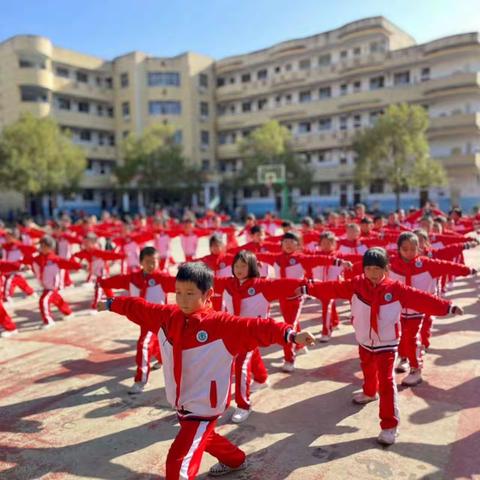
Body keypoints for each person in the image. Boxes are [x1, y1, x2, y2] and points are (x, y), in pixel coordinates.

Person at [98, 262, 315, 479]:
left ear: (208, 293)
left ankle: (231, 461)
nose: (183, 299)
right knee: (205, 437)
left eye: (190, 293)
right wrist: (111, 303)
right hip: (181, 401)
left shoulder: (221, 325)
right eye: (178, 293)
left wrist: (291, 335)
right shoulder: (168, 317)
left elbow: (258, 327)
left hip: (203, 406)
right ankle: (236, 460)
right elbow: (139, 307)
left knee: (177, 466)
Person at [306, 248, 464, 445]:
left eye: (377, 269)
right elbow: (332, 288)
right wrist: (308, 289)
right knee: (367, 370)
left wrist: (447, 307)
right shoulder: (356, 285)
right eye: (369, 268)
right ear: (363, 270)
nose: (373, 273)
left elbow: (421, 299)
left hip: (387, 344)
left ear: (386, 269)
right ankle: (369, 392)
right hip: (364, 340)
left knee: (387, 383)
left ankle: (389, 426)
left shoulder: (396, 289)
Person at [213, 250, 306, 423]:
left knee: (240, 365)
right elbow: (204, 281)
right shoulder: (227, 284)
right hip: (233, 331)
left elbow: (287, 284)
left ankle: (243, 405)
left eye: (244, 266)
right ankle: (261, 378)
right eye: (236, 266)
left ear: (253, 268)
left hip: (254, 331)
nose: (239, 269)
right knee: (249, 356)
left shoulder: (262, 285)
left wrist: (310, 285)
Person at [388, 232, 476, 385]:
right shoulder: (391, 264)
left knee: (412, 338)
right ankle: (403, 358)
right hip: (397, 310)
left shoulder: (426, 264)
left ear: (419, 249)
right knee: (399, 337)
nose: (409, 252)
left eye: (413, 248)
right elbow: (368, 266)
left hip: (417, 310)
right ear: (398, 249)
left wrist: (467, 270)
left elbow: (447, 266)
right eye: (405, 249)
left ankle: (416, 370)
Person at [99, 246, 176, 394]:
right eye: (148, 262)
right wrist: (103, 283)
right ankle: (161, 359)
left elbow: (181, 284)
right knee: (155, 342)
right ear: (141, 262)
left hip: (158, 319)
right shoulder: (133, 278)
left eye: (154, 261)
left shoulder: (162, 278)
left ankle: (141, 380)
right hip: (142, 319)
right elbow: (114, 282)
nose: (152, 265)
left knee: (144, 344)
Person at [29, 236, 81, 328]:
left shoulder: (55, 259)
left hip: (52, 286)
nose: (42, 247)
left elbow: (68, 264)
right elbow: (28, 261)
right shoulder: (38, 258)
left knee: (44, 301)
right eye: (41, 245)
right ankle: (68, 312)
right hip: (45, 285)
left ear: (50, 247)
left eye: (44, 246)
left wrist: (80, 266)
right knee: (57, 299)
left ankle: (48, 321)